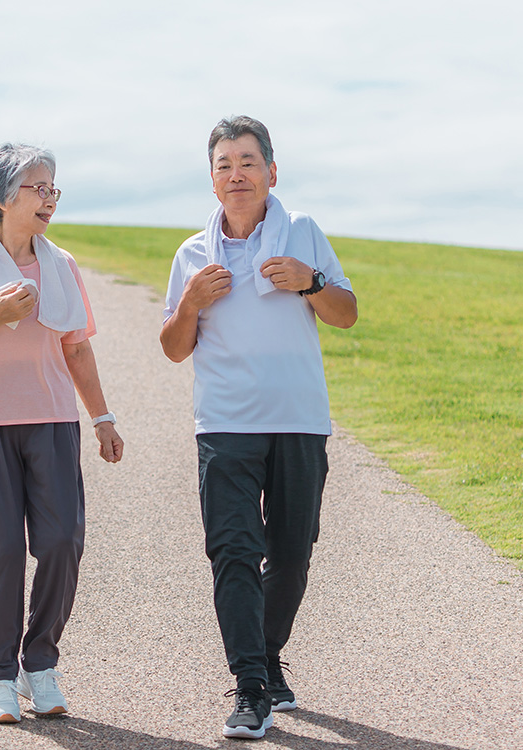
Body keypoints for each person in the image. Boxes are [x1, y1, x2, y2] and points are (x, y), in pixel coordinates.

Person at [160, 116, 357, 740]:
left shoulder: (303, 232)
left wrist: (311, 281)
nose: (236, 173)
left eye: (248, 161)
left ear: (272, 172)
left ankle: (268, 657)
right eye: (224, 163)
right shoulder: (192, 254)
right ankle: (249, 688)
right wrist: (190, 303)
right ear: (212, 178)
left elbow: (347, 315)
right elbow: (172, 347)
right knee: (234, 552)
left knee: (292, 555)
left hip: (299, 422)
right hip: (224, 424)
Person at [0, 143, 123, 724]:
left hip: (54, 422)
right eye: (38, 188)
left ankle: (41, 663)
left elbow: (77, 348)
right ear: (1, 197)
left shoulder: (63, 267)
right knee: (4, 552)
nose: (49, 199)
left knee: (62, 542)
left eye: (53, 189)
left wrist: (103, 418)